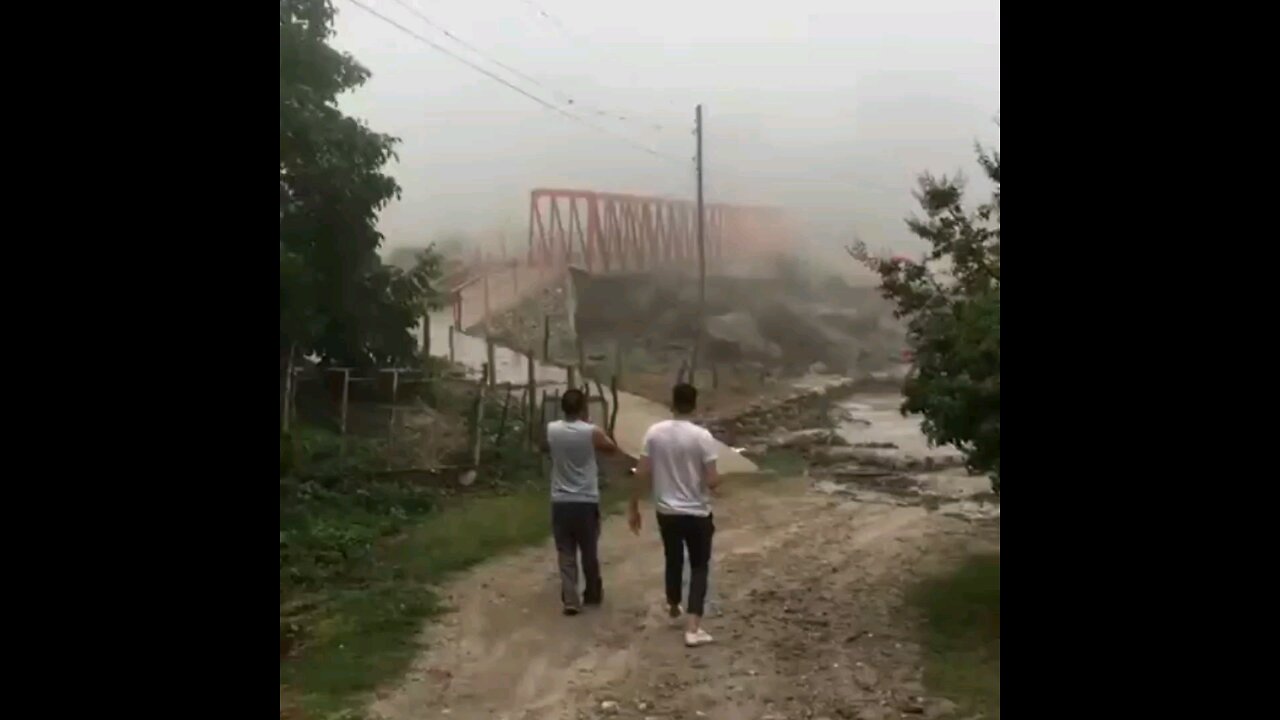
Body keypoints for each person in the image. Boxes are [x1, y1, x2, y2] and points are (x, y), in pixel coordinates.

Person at [628, 382, 720, 647]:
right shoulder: (702, 437)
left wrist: (633, 506)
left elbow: (641, 471)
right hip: (697, 512)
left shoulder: (655, 433)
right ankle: (693, 629)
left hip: (666, 511)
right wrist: (715, 481)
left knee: (673, 557)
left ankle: (673, 604)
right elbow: (712, 481)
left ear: (672, 402)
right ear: (694, 403)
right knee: (699, 566)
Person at [545, 388, 619, 615]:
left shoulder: (552, 429)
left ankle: (570, 597)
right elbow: (611, 449)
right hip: (586, 498)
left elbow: (544, 447)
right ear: (583, 408)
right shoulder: (591, 431)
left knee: (565, 550)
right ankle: (593, 592)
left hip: (561, 499)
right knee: (589, 548)